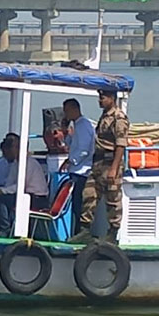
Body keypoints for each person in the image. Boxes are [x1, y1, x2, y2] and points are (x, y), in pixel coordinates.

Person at [71, 89, 129, 245]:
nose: (100, 100)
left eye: (103, 97)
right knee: (89, 195)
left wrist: (114, 169)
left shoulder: (119, 118)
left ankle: (112, 233)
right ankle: (85, 230)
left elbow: (121, 145)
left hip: (110, 163)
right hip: (98, 163)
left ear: (112, 98)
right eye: (99, 97)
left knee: (112, 200)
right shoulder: (104, 116)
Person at [0, 133, 49, 237]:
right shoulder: (15, 164)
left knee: (0, 199)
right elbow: (9, 185)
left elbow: (20, 186)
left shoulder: (29, 163)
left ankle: (5, 229)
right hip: (21, 194)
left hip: (36, 198)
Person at [59, 98, 95, 234]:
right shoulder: (77, 126)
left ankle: (80, 232)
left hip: (82, 171)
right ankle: (76, 231)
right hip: (76, 170)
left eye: (67, 111)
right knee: (75, 204)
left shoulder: (84, 125)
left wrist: (71, 161)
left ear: (75, 109)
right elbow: (72, 144)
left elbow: (84, 149)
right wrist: (65, 132)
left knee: (79, 204)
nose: (65, 115)